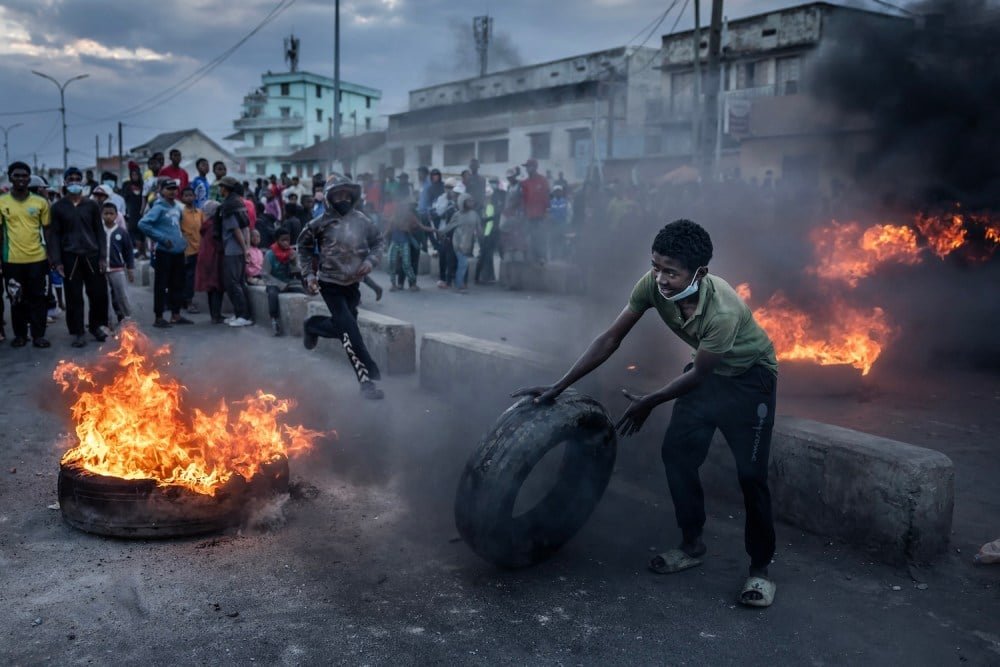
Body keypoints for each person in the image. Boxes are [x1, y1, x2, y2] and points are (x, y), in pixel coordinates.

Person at [514, 219, 780, 608]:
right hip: (704, 377)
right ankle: (692, 545)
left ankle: (760, 570)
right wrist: (560, 385)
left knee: (751, 476)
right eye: (656, 266)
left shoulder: (722, 310)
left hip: (749, 381)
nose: (661, 278)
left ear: (699, 273)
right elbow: (611, 338)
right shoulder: (652, 285)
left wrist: (649, 401)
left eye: (671, 271)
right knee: (677, 456)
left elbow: (702, 374)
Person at [298, 174, 385, 400]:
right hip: (330, 284)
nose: (343, 198)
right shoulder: (319, 223)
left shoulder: (361, 220)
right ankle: (368, 378)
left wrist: (370, 262)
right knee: (351, 331)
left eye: (347, 194)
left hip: (352, 285)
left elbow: (379, 242)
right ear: (329, 197)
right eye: (338, 194)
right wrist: (308, 275)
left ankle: (314, 325)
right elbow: (303, 247)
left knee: (346, 333)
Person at [50, 167, 110, 347]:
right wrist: (57, 261)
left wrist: (102, 257)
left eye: (78, 178)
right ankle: (78, 332)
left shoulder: (91, 205)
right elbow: (55, 235)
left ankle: (96, 326)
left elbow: (99, 232)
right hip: (70, 256)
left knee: (98, 294)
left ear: (82, 182)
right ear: (65, 182)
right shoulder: (58, 207)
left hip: (92, 255)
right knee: (74, 296)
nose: (75, 182)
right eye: (71, 179)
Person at [0, 162, 52, 347]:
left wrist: (51, 256)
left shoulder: (40, 202)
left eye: (24, 176)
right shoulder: (2, 202)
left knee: (39, 298)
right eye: (17, 175)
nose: (21, 179)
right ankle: (20, 335)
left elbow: (47, 230)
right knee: (16, 298)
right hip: (12, 260)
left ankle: (38, 335)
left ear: (29, 179)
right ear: (10, 177)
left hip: (38, 259)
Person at [139, 178, 191, 329]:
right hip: (164, 252)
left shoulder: (177, 207)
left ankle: (176, 314)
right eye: (169, 188)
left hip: (178, 251)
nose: (173, 191)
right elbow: (143, 224)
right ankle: (159, 317)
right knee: (161, 285)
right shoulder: (159, 207)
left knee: (178, 283)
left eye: (174, 188)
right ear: (161, 190)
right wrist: (161, 238)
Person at [215, 176, 253, 327]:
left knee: (233, 283)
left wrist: (244, 249)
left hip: (233, 249)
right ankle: (240, 314)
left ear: (225, 188)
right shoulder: (239, 203)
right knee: (240, 282)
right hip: (240, 248)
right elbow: (246, 228)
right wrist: (247, 247)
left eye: (221, 187)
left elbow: (236, 229)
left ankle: (243, 315)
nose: (220, 189)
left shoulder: (229, 205)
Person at [260, 228, 303, 336]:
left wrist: (293, 262)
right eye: (283, 240)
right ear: (277, 241)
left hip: (288, 282)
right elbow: (265, 274)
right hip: (274, 282)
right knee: (272, 294)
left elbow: (297, 271)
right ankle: (275, 320)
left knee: (302, 290)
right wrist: (279, 284)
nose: (286, 243)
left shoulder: (292, 252)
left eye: (288, 240)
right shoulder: (270, 254)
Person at [100, 201, 135, 324]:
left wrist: (130, 269)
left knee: (122, 295)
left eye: (111, 213)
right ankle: (107, 322)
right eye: (105, 214)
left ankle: (127, 320)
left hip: (118, 269)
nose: (108, 216)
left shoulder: (122, 232)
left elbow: (128, 251)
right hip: (102, 270)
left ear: (116, 215)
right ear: (101, 215)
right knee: (105, 298)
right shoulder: (98, 232)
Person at [440, 193, 482, 294]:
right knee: (463, 264)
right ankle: (459, 285)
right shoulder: (457, 215)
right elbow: (449, 226)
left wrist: (481, 238)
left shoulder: (474, 214)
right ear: (462, 202)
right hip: (458, 242)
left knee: (462, 264)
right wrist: (440, 232)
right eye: (468, 201)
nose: (471, 203)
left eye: (472, 201)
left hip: (468, 243)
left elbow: (479, 228)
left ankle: (460, 282)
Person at [195, 200, 225, 324]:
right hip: (215, 258)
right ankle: (216, 315)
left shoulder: (206, 225)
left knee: (211, 288)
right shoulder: (215, 225)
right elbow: (217, 243)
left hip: (205, 257)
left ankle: (214, 315)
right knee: (218, 287)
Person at [520, 158, 550, 262]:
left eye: (529, 166)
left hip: (540, 216)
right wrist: (523, 213)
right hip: (528, 216)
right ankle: (530, 258)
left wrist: (546, 211)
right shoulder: (525, 183)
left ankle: (542, 257)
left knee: (540, 237)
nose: (527, 169)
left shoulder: (542, 180)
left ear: (535, 167)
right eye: (526, 167)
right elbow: (523, 199)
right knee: (528, 237)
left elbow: (546, 197)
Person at [179, 186, 203, 313]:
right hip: (186, 249)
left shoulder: (199, 213)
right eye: (186, 195)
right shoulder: (181, 213)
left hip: (198, 249)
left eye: (191, 195)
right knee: (187, 277)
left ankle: (187, 300)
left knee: (192, 277)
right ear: (182, 198)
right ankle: (187, 302)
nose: (189, 197)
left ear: (195, 197)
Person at [474, 184, 500, 284]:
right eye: (486, 196)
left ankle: (489, 277)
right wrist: (491, 218)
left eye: (489, 196)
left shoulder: (492, 206)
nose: (488, 198)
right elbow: (481, 220)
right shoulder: (481, 207)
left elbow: (494, 221)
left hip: (490, 234)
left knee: (489, 255)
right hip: (483, 235)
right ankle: (477, 277)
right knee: (483, 255)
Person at [122, 161, 147, 258]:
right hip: (132, 212)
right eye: (133, 174)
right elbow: (124, 198)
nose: (135, 176)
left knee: (143, 232)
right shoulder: (126, 185)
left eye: (136, 174)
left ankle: (143, 253)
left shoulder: (143, 185)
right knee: (134, 231)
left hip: (142, 211)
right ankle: (138, 252)